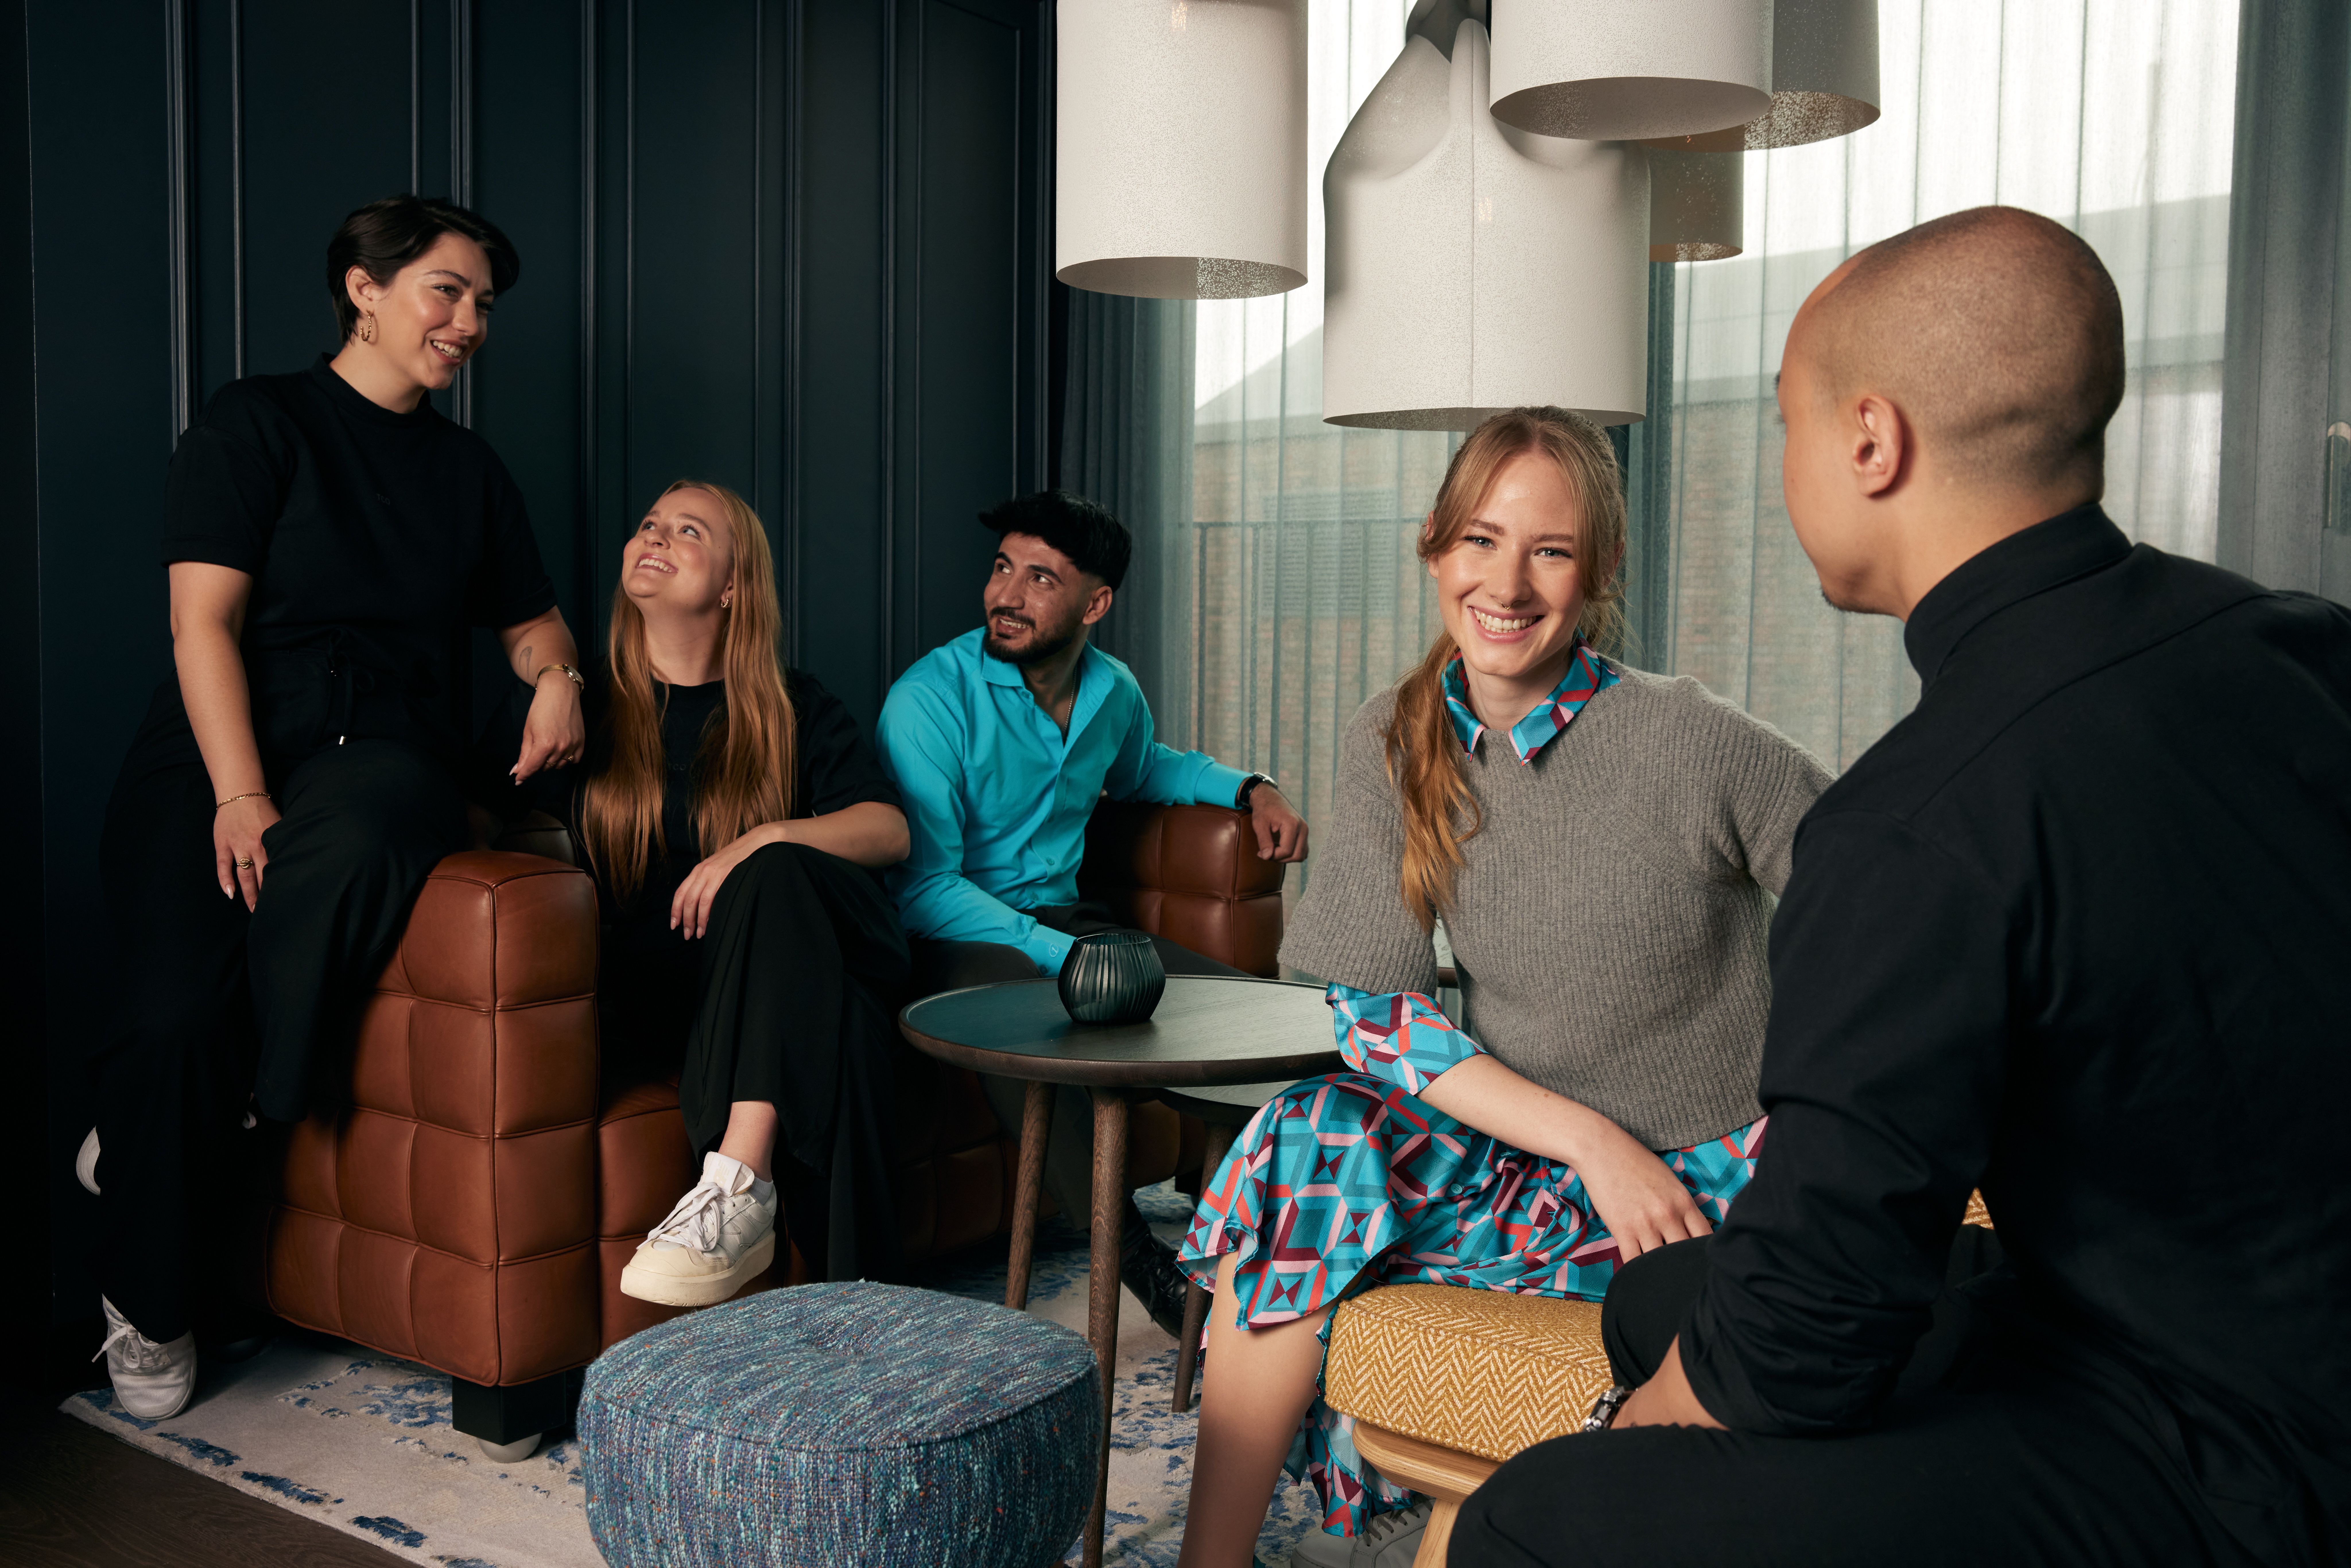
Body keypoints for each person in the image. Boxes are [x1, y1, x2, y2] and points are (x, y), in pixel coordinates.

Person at [1452, 207, 2351, 1568]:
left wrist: (1615, 1444)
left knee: (1532, 1520)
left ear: (1871, 441)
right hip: (2209, 1296)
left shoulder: (1918, 821)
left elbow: (1801, 1341)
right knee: (1662, 1293)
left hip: (2229, 1447)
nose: (1783, 466)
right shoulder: (2293, 640)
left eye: (1785, 427)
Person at [1173, 407, 1833, 1568]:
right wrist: (1587, 1141)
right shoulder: (1393, 736)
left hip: (1705, 1174)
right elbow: (1375, 1021)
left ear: (1600, 573)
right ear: (1433, 547)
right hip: (1540, 1155)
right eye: (1479, 540)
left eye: (1550, 550)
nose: (1506, 584)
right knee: (1306, 1134)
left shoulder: (1693, 740)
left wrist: (1818, 1102)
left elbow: (1886, 907)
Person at [88, 195, 585, 1420]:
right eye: (446, 292)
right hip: (226, 742)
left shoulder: (470, 472)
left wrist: (559, 676)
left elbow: (535, 627)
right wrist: (239, 791)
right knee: (165, 1026)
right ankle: (149, 1303)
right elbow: (200, 623)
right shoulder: (257, 420)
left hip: (385, 755)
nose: (468, 324)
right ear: (363, 288)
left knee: (368, 820)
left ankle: (196, 1117)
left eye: (482, 304)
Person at [875, 490, 1310, 1335]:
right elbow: (924, 883)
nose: (1008, 594)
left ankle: (1284, 1228)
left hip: (1074, 920)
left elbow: (1148, 770)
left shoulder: (1112, 690)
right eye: (1004, 568)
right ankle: (1150, 1270)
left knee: (1245, 1017)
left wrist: (1252, 787)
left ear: (1095, 604)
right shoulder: (929, 699)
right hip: (961, 937)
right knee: (1018, 1013)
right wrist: (1051, 952)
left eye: (1042, 578)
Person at [554, 478, 911, 1301]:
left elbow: (888, 831)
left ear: (732, 586)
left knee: (780, 873)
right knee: (849, 1028)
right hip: (669, 996)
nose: (656, 537)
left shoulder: (791, 706)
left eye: (688, 532)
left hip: (786, 963)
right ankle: (874, 1314)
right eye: (649, 524)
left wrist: (764, 837)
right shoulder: (589, 715)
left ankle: (737, 1182)